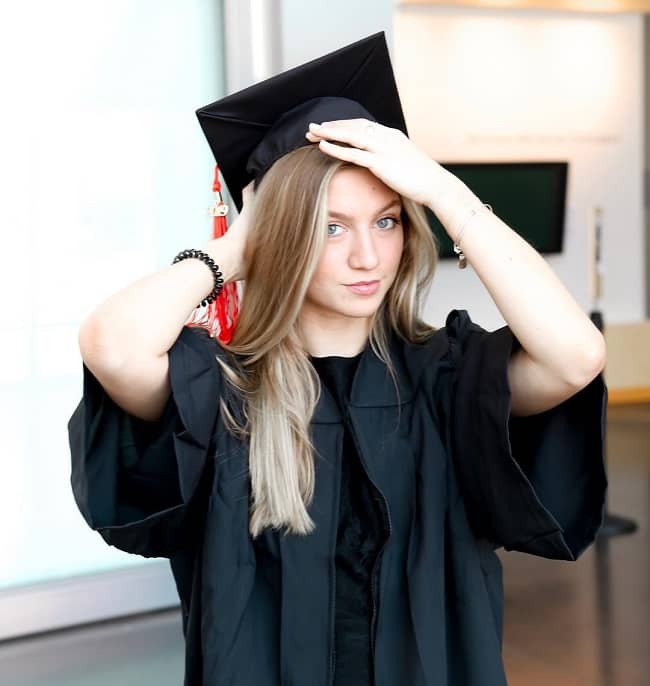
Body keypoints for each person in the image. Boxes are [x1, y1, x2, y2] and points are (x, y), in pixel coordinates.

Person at [68, 33, 608, 686]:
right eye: (331, 226)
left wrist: (448, 196)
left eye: (386, 221)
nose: (367, 256)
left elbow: (576, 356)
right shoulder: (224, 391)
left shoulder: (445, 379)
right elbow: (110, 344)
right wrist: (241, 246)